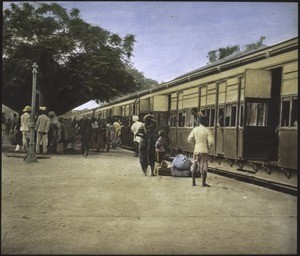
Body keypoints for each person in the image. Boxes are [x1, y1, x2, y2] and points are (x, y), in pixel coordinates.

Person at [188, 115, 214, 187]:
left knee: (195, 165)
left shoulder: (195, 129)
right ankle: (203, 183)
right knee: (204, 166)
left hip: (196, 150)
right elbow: (211, 142)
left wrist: (195, 143)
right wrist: (208, 147)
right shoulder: (207, 130)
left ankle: (193, 182)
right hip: (204, 151)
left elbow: (189, 139)